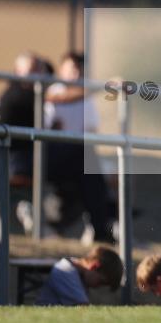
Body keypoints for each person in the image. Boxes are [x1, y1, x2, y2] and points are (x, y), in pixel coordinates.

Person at [45, 51, 113, 243]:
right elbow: (53, 110)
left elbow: (91, 131)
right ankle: (101, 225)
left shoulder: (87, 98)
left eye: (80, 70)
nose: (76, 75)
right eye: (72, 69)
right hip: (52, 156)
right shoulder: (52, 91)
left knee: (112, 172)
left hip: (79, 156)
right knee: (89, 170)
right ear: (61, 70)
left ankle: (107, 223)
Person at [34, 244, 123, 306]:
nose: (97, 287)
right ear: (94, 266)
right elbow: (82, 307)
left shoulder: (78, 272)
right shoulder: (66, 271)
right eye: (101, 282)